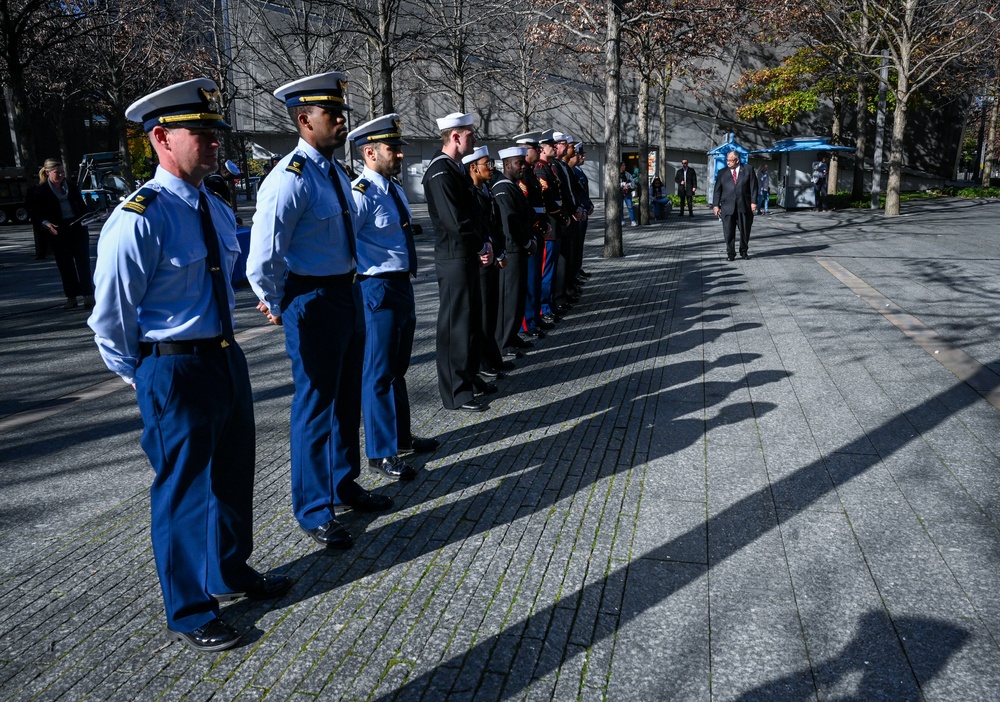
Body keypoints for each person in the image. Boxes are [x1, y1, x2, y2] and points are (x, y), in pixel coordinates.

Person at [87, 78, 291, 653]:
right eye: (198, 134)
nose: (213, 142)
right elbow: (110, 319)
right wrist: (148, 374)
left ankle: (230, 571)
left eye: (213, 133)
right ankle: (189, 608)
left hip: (225, 358)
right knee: (181, 491)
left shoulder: (216, 208)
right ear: (160, 138)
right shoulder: (138, 218)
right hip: (173, 368)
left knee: (232, 475)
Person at [248, 71, 393, 555]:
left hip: (345, 293)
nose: (340, 121)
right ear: (304, 119)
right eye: (332, 114)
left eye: (340, 113)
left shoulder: (331, 172)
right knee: (314, 406)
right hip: (311, 298)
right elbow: (264, 253)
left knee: (346, 397)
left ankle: (341, 482)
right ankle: (313, 508)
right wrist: (276, 299)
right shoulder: (288, 178)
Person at [347, 114, 439, 482]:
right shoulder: (361, 194)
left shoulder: (393, 189)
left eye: (399, 148)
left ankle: (401, 436)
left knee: (398, 369)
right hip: (377, 287)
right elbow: (346, 244)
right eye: (392, 149)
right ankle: (381, 453)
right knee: (378, 373)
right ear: (370, 152)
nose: (400, 155)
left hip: (401, 285)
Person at [421, 112, 494, 412]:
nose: (474, 140)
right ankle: (455, 392)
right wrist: (480, 244)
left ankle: (468, 375)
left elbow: (473, 213)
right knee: (455, 326)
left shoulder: (454, 169)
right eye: (470, 134)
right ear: (455, 137)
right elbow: (454, 220)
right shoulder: (441, 172)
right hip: (453, 256)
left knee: (471, 321)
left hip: (465, 255)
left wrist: (485, 241)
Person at [27, 159, 95, 310]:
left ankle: (88, 296)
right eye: (57, 172)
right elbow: (37, 213)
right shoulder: (40, 191)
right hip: (58, 230)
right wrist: (46, 223)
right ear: (47, 172)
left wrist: (89, 217)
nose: (61, 175)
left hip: (77, 228)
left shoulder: (71, 187)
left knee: (83, 263)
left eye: (62, 172)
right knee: (65, 265)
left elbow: (82, 208)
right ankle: (71, 297)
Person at [491, 146, 535, 357]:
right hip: (512, 249)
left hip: (519, 248)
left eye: (524, 163)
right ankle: (504, 341)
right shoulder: (502, 188)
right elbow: (510, 223)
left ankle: (513, 334)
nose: (523, 167)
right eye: (519, 163)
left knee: (518, 296)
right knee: (510, 297)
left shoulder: (512, 186)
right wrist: (526, 242)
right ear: (507, 164)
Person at [713, 150, 759, 261]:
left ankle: (744, 252)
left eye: (730, 160)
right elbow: (717, 190)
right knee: (728, 232)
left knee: (744, 230)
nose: (727, 162)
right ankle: (730, 254)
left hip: (744, 205)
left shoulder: (748, 169)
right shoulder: (722, 172)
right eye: (727, 160)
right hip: (727, 206)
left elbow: (754, 187)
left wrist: (753, 202)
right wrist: (715, 205)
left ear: (737, 160)